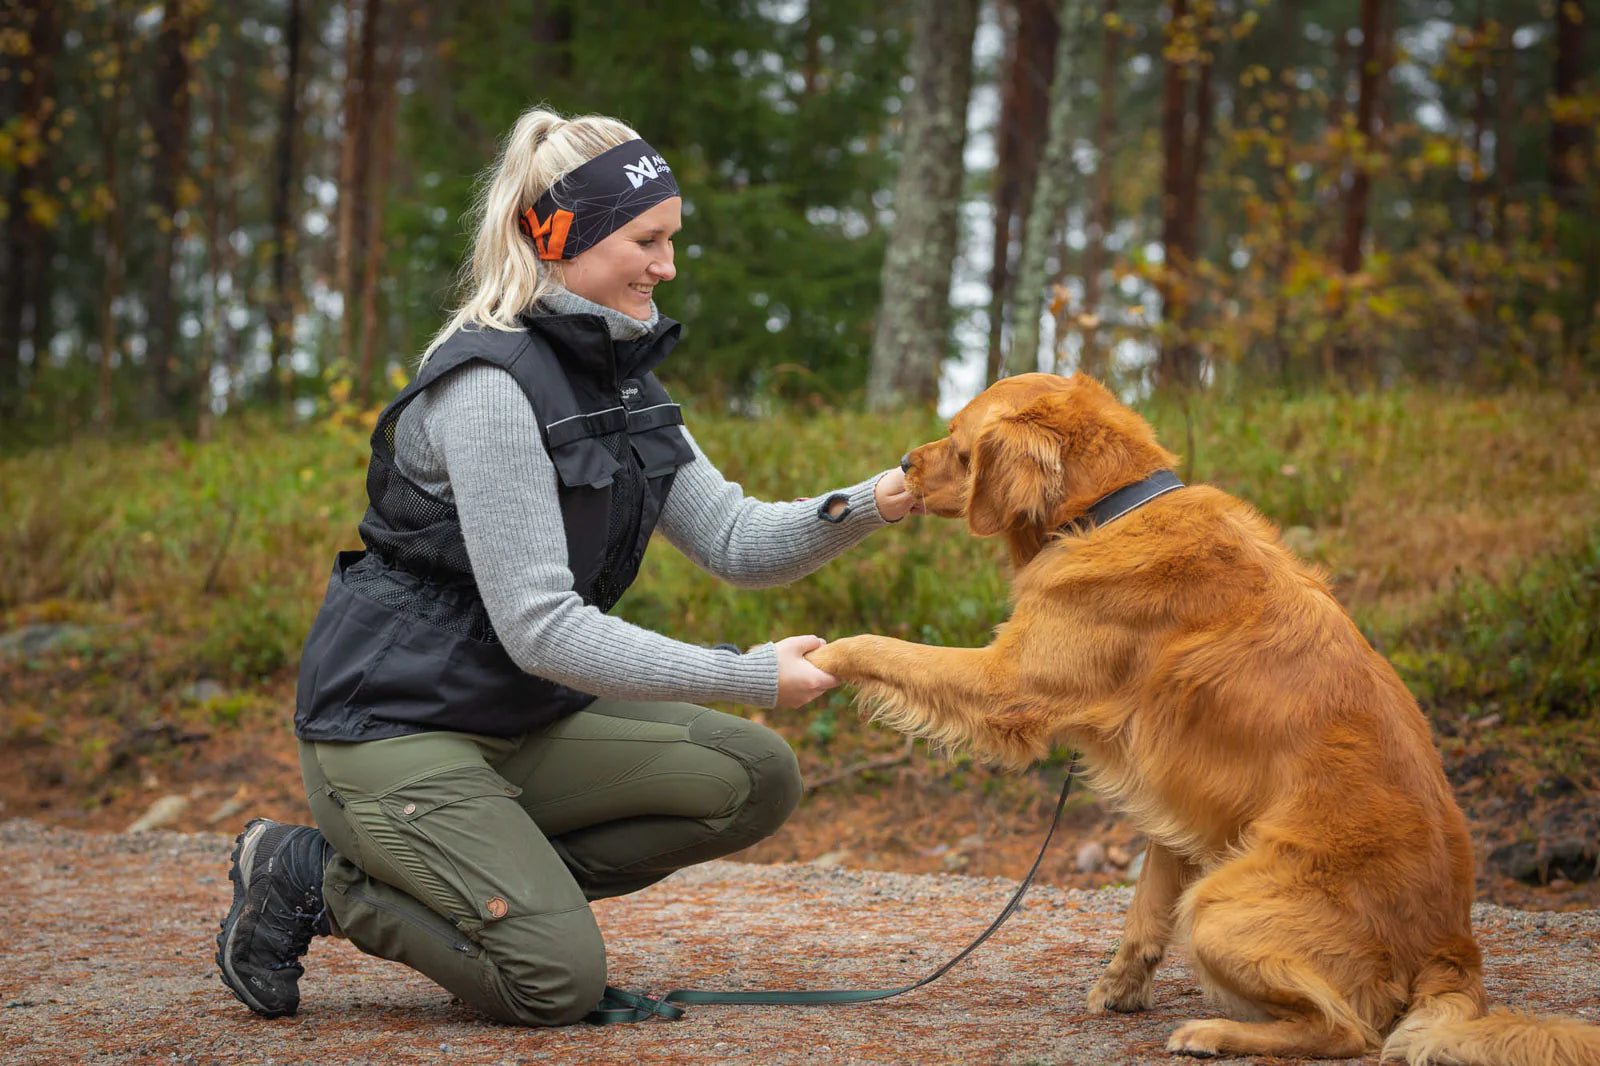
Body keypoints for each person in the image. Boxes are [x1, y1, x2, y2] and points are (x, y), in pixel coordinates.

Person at [213, 107, 919, 1027]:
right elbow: (541, 625)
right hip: (395, 729)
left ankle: (484, 878)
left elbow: (739, 541)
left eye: (672, 239)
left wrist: (882, 496)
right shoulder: (488, 389)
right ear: (559, 237)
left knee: (754, 777)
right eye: (647, 240)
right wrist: (746, 673)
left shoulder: (621, 382)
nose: (668, 265)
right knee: (552, 983)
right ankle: (315, 876)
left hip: (519, 715)